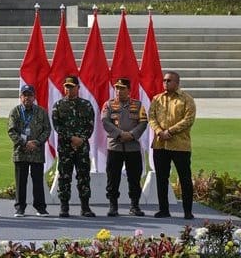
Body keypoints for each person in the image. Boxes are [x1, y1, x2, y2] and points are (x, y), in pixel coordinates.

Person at [149, 70, 196, 219]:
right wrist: (159, 131)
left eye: (169, 80)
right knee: (161, 178)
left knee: (185, 178)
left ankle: (187, 211)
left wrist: (170, 131)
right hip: (160, 144)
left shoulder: (186, 99)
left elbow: (188, 119)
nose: (165, 83)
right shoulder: (157, 99)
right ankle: (164, 209)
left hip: (180, 145)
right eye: (164, 80)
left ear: (177, 83)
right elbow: (151, 117)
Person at [101, 77, 148, 217]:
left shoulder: (138, 105)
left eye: (122, 88)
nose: (118, 91)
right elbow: (105, 121)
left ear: (129, 90)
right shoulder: (109, 105)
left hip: (132, 147)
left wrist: (132, 135)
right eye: (117, 88)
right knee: (112, 177)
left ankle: (134, 205)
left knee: (134, 177)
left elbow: (143, 122)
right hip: (115, 146)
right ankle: (113, 206)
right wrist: (119, 134)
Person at [51, 75, 95, 217]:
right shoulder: (58, 105)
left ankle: (85, 207)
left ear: (78, 88)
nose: (69, 89)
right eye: (66, 87)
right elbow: (57, 126)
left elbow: (90, 125)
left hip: (82, 147)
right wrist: (71, 138)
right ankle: (64, 207)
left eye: (71, 86)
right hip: (65, 147)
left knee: (83, 177)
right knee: (64, 177)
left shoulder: (86, 105)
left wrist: (81, 139)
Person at [7, 84, 51, 217]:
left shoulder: (41, 112)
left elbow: (47, 129)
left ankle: (40, 207)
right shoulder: (15, 111)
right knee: (21, 181)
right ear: (20, 97)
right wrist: (25, 143)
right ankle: (20, 207)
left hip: (36, 151)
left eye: (30, 95)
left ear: (34, 97)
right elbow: (11, 130)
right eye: (24, 95)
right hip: (21, 151)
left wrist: (37, 142)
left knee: (38, 180)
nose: (27, 98)